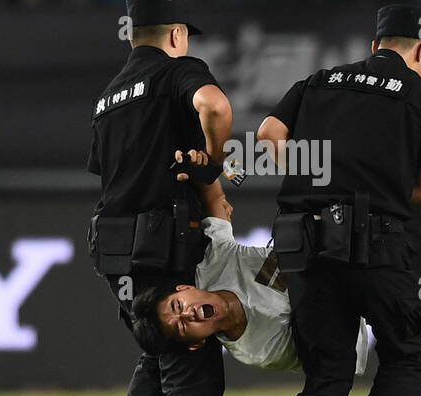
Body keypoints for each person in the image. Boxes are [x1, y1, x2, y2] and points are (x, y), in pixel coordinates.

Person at [257, 5, 421, 396]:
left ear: (375, 44)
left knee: (327, 367)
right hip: (378, 245)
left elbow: (269, 133)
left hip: (308, 246)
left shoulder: (318, 80)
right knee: (405, 355)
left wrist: (313, 178)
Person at [87, 0, 233, 396]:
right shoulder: (178, 72)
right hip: (158, 244)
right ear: (176, 35)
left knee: (159, 353)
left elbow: (108, 172)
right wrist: (213, 166)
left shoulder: (108, 96)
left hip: (113, 247)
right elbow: (215, 106)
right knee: (194, 371)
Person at [126, 158, 370, 377]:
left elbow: (214, 199)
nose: (188, 314)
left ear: (185, 288)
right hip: (353, 319)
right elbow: (326, 339)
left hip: (351, 253)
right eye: (181, 326)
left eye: (178, 305)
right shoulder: (258, 349)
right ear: (196, 343)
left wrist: (203, 161)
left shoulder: (214, 265)